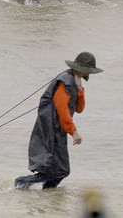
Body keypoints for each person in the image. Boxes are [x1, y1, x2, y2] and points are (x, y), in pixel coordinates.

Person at [15, 52, 103, 189]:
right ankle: (21, 182)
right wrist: (74, 132)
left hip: (57, 129)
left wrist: (80, 90)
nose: (89, 74)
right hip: (51, 129)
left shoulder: (74, 82)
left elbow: (79, 109)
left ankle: (47, 194)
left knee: (59, 170)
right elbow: (63, 112)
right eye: (89, 71)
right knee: (59, 170)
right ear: (83, 70)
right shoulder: (65, 83)